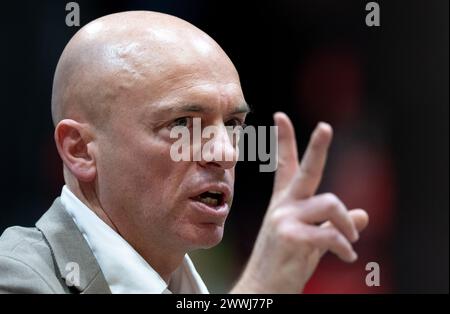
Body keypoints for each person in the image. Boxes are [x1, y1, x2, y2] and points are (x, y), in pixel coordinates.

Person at [0, 11, 368, 293]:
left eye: (234, 125)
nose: (225, 153)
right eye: (182, 124)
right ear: (80, 150)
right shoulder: (14, 274)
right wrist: (258, 286)